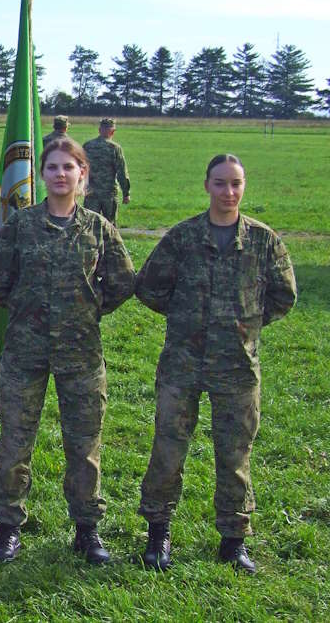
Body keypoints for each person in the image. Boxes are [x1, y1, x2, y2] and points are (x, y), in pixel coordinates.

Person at [135, 154, 296, 574]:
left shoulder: (263, 241)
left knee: (235, 454)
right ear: (206, 185)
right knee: (168, 449)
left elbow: (284, 296)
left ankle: (233, 540)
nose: (228, 192)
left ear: (244, 187)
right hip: (182, 363)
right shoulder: (183, 238)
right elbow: (149, 287)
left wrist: (246, 325)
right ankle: (158, 533)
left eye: (236, 184)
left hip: (237, 367)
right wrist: (186, 318)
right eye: (220, 183)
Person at [0, 138, 136, 565]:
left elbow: (124, 281)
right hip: (25, 353)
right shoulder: (21, 225)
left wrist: (89, 308)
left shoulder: (99, 228)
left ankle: (86, 530)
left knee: (84, 449)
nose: (61, 174)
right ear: (42, 175)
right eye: (53, 167)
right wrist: (24, 306)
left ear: (83, 174)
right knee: (15, 445)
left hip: (81, 355)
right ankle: (8, 528)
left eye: (70, 167)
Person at [83, 118, 130, 224]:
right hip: (109, 194)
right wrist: (126, 193)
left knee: (89, 224)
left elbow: (80, 169)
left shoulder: (87, 146)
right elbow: (122, 172)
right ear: (112, 132)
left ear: (99, 130)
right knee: (109, 226)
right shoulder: (115, 148)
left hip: (91, 192)